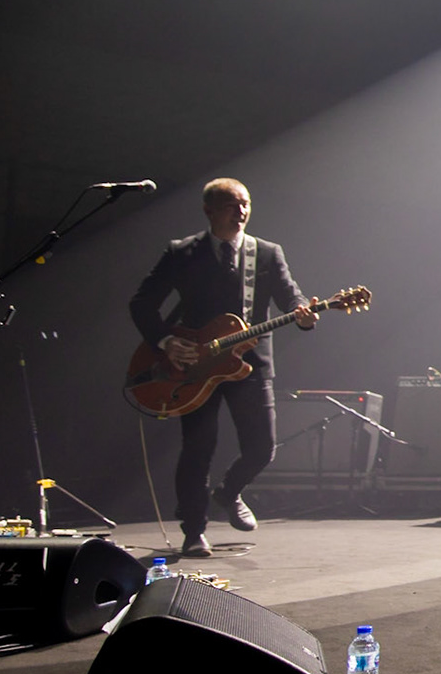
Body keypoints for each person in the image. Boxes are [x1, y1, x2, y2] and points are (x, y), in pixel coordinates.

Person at [130, 178, 316, 557]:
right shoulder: (182, 252)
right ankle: (193, 531)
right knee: (198, 448)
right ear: (209, 210)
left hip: (250, 364)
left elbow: (290, 296)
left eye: (245, 204)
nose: (241, 211)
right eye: (232, 204)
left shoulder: (266, 252)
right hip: (196, 366)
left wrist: (305, 315)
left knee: (262, 446)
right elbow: (142, 302)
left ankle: (228, 492)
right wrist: (166, 342)